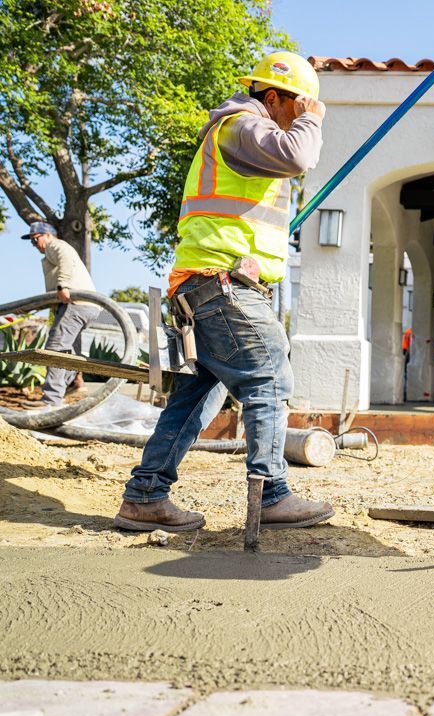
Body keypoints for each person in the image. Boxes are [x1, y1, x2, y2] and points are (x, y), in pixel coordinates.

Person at [115, 51, 333, 532]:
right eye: (297, 105)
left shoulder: (246, 134)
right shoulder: (240, 125)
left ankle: (145, 496)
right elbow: (300, 155)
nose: (305, 113)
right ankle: (273, 495)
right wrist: (311, 120)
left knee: (195, 398)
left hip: (210, 283)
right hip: (222, 283)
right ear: (271, 97)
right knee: (271, 378)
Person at [22, 221, 100, 408]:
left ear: (48, 235)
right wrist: (27, 308)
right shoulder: (52, 254)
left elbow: (65, 259)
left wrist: (63, 285)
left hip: (75, 305)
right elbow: (53, 296)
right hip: (87, 306)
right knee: (67, 350)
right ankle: (73, 383)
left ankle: (51, 399)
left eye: (36, 239)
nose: (35, 244)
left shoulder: (55, 245)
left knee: (55, 348)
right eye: (31, 242)